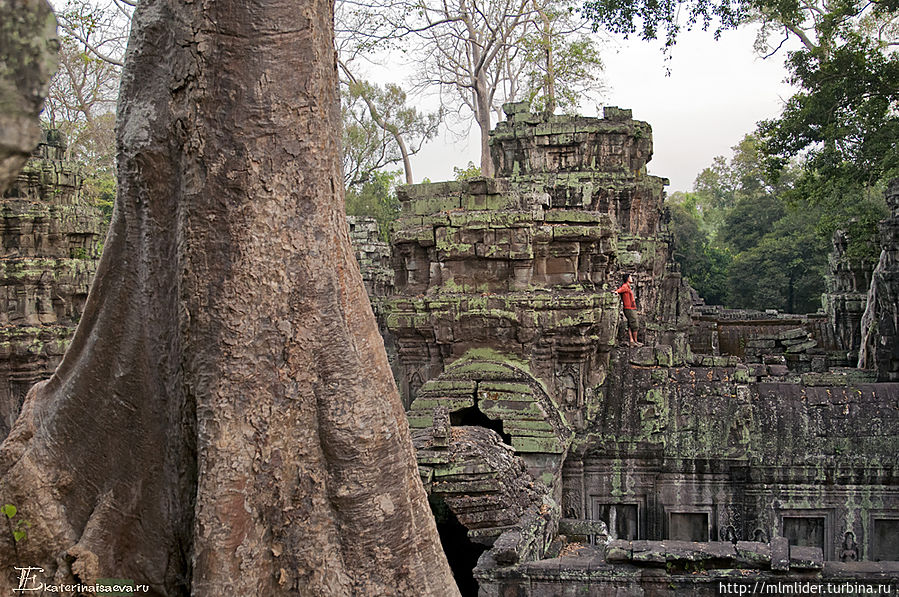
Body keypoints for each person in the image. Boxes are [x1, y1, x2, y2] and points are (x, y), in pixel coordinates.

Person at [615, 273, 642, 346]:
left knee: (630, 324)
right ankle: (635, 341)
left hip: (630, 308)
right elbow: (620, 290)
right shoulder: (625, 286)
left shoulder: (628, 287)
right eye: (630, 277)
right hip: (629, 309)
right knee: (635, 324)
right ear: (627, 278)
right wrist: (616, 292)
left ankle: (632, 341)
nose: (631, 278)